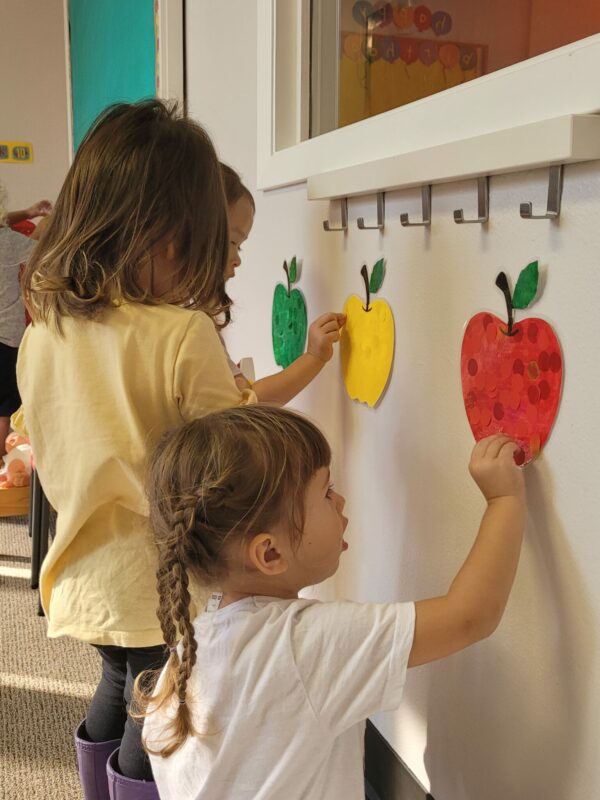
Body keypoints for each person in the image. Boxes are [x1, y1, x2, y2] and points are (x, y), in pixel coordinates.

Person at [16, 99, 258, 800]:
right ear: (171, 240)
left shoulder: (43, 334)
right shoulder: (180, 335)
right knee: (155, 710)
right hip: (156, 578)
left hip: (82, 567)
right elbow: (228, 456)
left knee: (118, 679)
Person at [138, 405, 526, 800]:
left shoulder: (186, 655)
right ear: (270, 554)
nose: (340, 500)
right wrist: (504, 499)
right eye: (325, 492)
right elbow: (469, 617)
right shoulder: (303, 645)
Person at [220, 163, 346, 404]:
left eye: (240, 247)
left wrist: (314, 356)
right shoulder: (193, 331)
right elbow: (244, 407)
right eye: (233, 242)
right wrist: (314, 357)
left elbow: (248, 399)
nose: (237, 259)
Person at [0, 184, 49, 455]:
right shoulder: (8, 241)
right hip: (6, 338)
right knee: (5, 407)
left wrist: (30, 212)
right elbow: (44, 253)